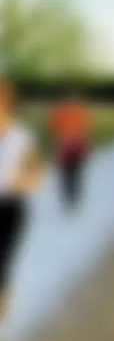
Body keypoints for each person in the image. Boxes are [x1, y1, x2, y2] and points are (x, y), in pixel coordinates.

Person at [0, 80, 44, 323]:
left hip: (10, 209)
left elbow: (38, 175)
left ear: (7, 104)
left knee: (2, 267)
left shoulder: (22, 138)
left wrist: (24, 182)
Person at [47, 90, 91, 213]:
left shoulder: (73, 112)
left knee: (72, 174)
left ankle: (72, 198)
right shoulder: (70, 112)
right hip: (68, 148)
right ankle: (71, 198)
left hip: (73, 148)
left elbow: (84, 131)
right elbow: (54, 128)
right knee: (69, 175)